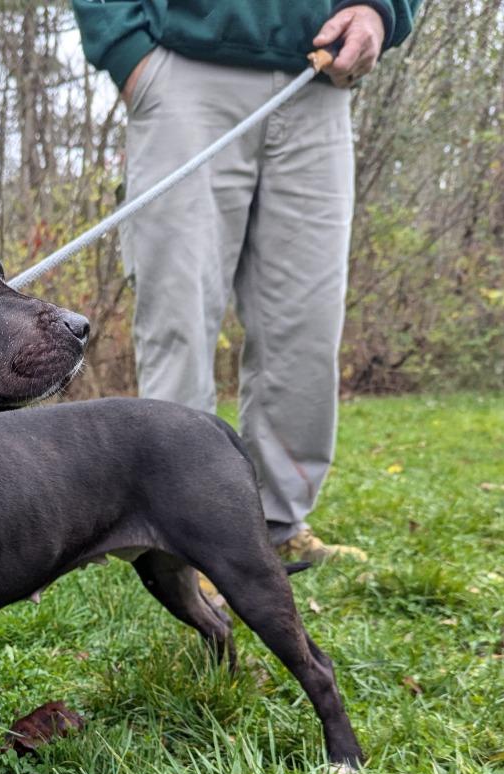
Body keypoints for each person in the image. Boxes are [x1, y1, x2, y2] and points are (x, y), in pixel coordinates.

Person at [72, 1, 419, 563]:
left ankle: (278, 524)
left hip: (318, 78)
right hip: (183, 71)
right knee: (178, 317)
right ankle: (179, 538)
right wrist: (128, 52)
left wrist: (380, 12)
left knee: (306, 324)